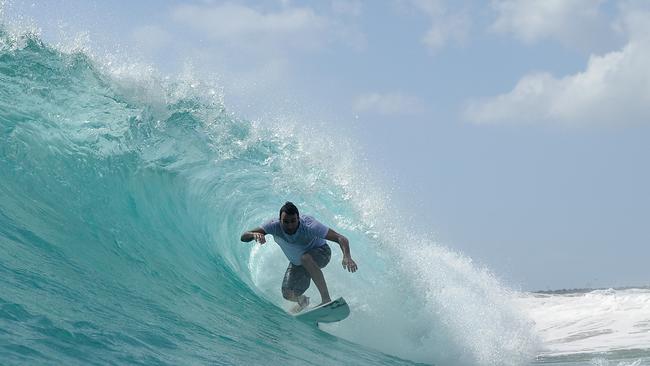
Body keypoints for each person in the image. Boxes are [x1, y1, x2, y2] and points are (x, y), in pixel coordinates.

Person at [240, 202, 358, 313]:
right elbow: (244, 237)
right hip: (298, 264)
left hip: (322, 253)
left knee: (305, 258)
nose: (290, 225)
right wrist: (253, 234)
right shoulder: (273, 226)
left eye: (293, 221)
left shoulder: (309, 225)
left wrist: (347, 256)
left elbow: (340, 238)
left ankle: (326, 299)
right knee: (287, 293)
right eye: (285, 221)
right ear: (279, 220)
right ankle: (303, 301)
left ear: (298, 219)